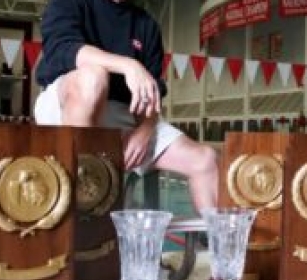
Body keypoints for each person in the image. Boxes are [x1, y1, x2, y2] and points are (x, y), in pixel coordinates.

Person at [33, 0, 217, 211]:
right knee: (93, 78)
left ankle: (216, 239)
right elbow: (62, 49)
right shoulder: (70, 3)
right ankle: (85, 202)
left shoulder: (146, 25)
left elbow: (151, 91)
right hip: (68, 99)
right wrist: (129, 65)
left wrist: (144, 132)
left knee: (205, 160)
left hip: (124, 112)